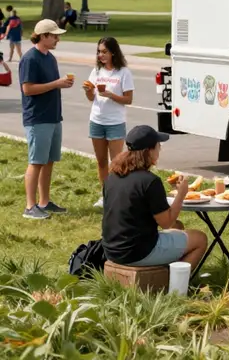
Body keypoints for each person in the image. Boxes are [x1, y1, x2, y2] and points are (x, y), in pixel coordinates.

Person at [102, 124, 207, 269]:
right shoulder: (150, 181)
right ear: (149, 151)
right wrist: (181, 194)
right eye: (158, 146)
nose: (160, 149)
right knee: (200, 239)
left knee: (178, 227)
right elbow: (167, 223)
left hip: (112, 250)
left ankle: (163, 274)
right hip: (139, 252)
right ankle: (174, 281)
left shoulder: (112, 176)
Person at [19, 18, 73, 220]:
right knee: (36, 162)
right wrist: (56, 84)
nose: (58, 39)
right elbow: (27, 89)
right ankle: (30, 206)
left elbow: (51, 84)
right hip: (38, 118)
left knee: (49, 161)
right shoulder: (30, 59)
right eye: (54, 36)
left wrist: (61, 84)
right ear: (43, 36)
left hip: (53, 116)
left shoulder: (50, 58)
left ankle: (44, 201)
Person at [83, 37, 134, 208]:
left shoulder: (124, 72)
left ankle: (118, 196)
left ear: (113, 52)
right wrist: (88, 91)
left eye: (104, 52)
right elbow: (91, 98)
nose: (100, 55)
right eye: (99, 52)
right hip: (97, 120)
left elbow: (128, 99)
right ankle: (105, 195)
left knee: (117, 163)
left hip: (115, 122)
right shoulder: (96, 72)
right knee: (101, 162)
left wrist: (111, 95)